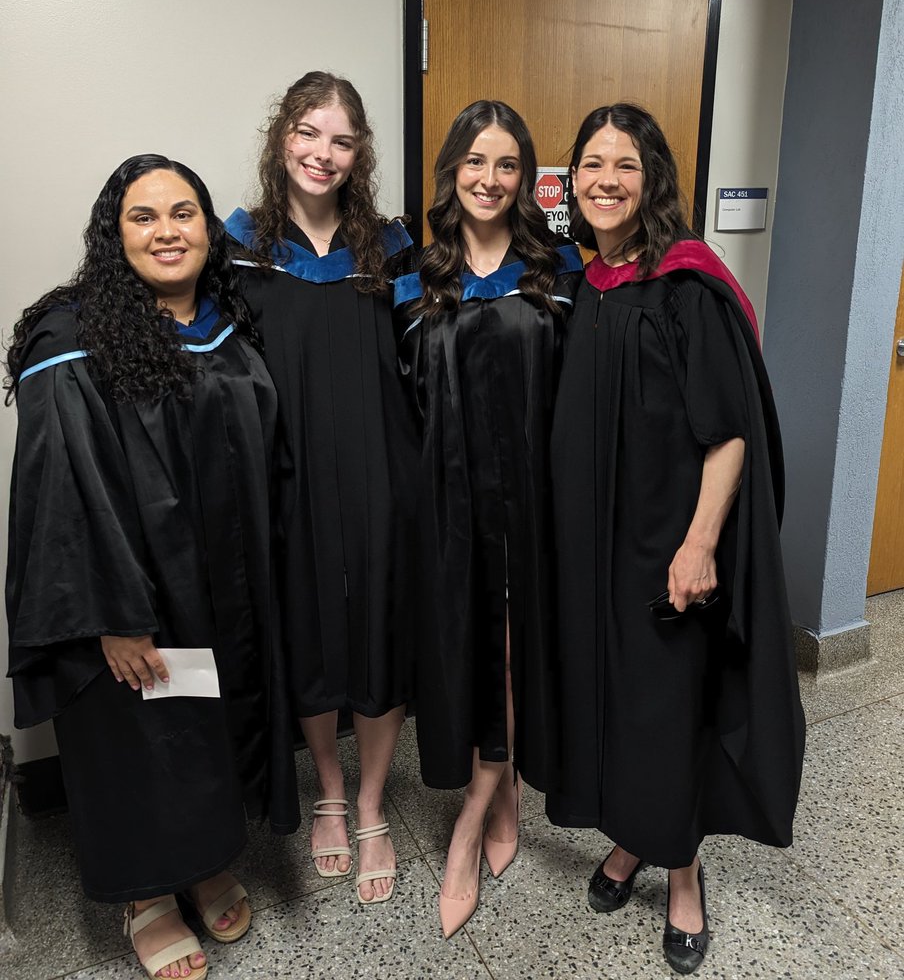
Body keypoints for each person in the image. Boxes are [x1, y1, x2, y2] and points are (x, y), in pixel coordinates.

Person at [5, 155, 300, 980]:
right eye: (144, 217)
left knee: (207, 727)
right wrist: (113, 613)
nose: (167, 231)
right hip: (130, 593)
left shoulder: (228, 322)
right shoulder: (71, 340)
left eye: (184, 213)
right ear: (114, 233)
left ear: (211, 228)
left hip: (223, 583)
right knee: (141, 737)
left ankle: (204, 862)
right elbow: (62, 488)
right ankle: (146, 895)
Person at [546, 104, 805, 974]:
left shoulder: (687, 285)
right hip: (595, 550)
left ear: (654, 177)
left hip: (665, 548)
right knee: (613, 701)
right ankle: (628, 841)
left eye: (625, 163)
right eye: (591, 164)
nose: (606, 179)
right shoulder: (588, 283)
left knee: (664, 712)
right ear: (572, 181)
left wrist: (698, 545)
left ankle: (682, 874)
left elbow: (730, 432)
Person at [225, 72, 418, 905]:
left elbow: (428, 360)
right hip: (289, 477)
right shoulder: (237, 251)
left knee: (377, 634)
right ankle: (329, 794)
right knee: (308, 635)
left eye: (342, 140)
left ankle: (373, 802)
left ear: (359, 152)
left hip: (382, 473)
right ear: (281, 139)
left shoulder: (392, 248)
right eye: (309, 133)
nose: (323, 154)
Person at [393, 100, 583, 938]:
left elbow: (585, 394)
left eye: (508, 165)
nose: (490, 179)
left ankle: (476, 812)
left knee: (515, 653)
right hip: (446, 501)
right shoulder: (412, 277)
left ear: (526, 176)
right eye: (476, 162)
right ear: (452, 170)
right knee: (465, 650)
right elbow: (398, 405)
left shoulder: (560, 271)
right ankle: (496, 787)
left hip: (536, 500)